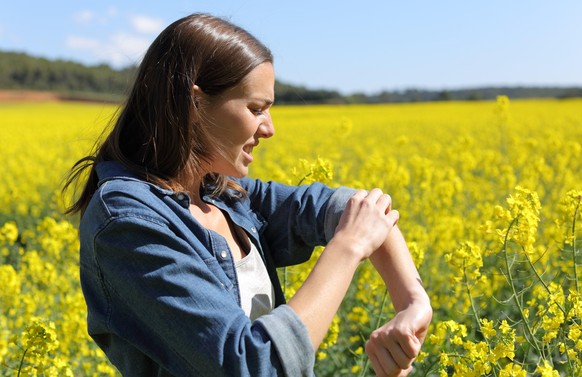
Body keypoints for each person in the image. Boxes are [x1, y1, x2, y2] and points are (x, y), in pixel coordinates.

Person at [64, 13, 432, 377]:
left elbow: (360, 210)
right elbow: (251, 365)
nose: (269, 128)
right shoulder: (126, 221)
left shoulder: (221, 195)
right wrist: (348, 248)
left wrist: (413, 304)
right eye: (256, 109)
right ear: (193, 104)